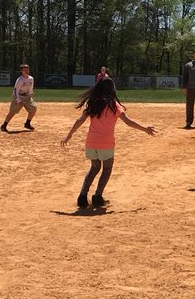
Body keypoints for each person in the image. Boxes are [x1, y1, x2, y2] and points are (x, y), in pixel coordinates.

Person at [61, 77, 157, 208]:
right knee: (107, 169)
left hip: (91, 142)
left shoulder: (93, 103)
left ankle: (82, 197)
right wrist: (144, 129)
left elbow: (80, 120)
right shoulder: (114, 106)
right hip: (105, 143)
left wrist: (69, 135)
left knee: (94, 168)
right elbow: (128, 122)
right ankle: (97, 197)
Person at [1, 63, 37, 132]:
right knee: (13, 111)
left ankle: (27, 123)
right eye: (25, 70)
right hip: (18, 96)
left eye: (27, 69)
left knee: (33, 108)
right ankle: (4, 125)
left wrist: (30, 93)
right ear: (21, 71)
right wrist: (18, 100)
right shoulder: (20, 80)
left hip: (27, 97)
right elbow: (15, 91)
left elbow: (31, 87)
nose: (27, 71)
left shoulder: (31, 78)